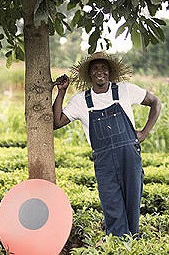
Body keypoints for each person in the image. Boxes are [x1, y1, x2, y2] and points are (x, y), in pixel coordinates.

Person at [52, 51, 161, 237]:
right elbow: (57, 122)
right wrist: (61, 92)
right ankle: (118, 246)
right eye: (95, 68)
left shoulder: (125, 90)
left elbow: (155, 102)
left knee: (132, 202)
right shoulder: (81, 100)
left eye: (103, 68)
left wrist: (145, 132)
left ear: (109, 72)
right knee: (111, 204)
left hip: (129, 155)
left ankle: (133, 243)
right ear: (90, 74)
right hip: (104, 161)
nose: (100, 71)